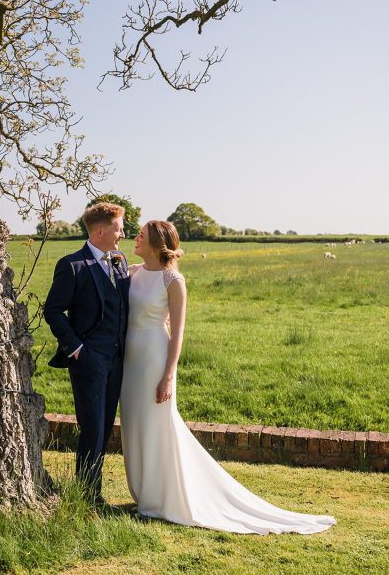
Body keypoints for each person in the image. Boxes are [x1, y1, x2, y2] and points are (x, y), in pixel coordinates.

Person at [120, 220, 335, 534]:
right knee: (134, 424)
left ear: (156, 243)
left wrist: (168, 375)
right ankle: (142, 493)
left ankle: (160, 498)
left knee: (157, 425)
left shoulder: (173, 280)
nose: (135, 238)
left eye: (141, 235)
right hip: (130, 359)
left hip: (155, 356)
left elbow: (178, 333)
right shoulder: (133, 273)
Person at [43, 202, 129, 503]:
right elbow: (52, 310)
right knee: (91, 427)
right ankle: (87, 495)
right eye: (119, 228)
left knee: (105, 427)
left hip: (117, 360)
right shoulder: (72, 265)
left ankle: (93, 490)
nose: (123, 234)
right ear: (101, 230)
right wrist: (77, 349)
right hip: (88, 360)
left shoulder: (119, 260)